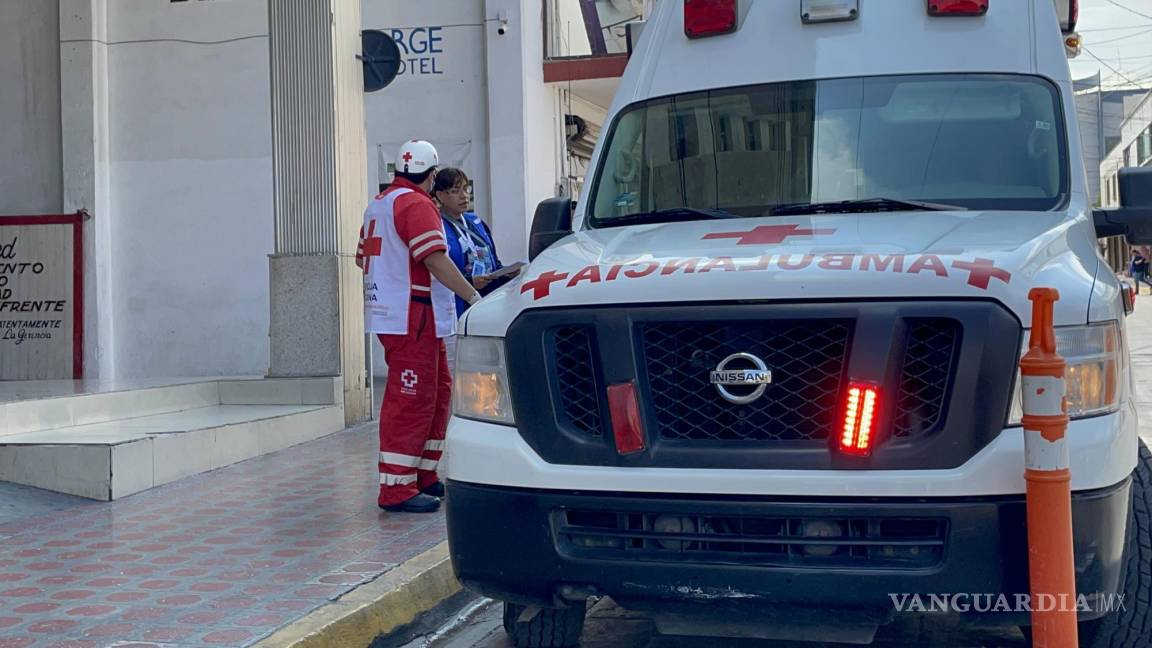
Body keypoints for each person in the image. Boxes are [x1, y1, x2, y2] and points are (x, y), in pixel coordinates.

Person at [356, 140, 483, 514]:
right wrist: (473, 298)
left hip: (396, 313)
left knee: (437, 390)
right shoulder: (416, 204)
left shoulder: (378, 204)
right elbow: (434, 259)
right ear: (430, 177)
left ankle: (423, 475)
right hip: (413, 316)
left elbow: (361, 257)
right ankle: (396, 487)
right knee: (412, 399)